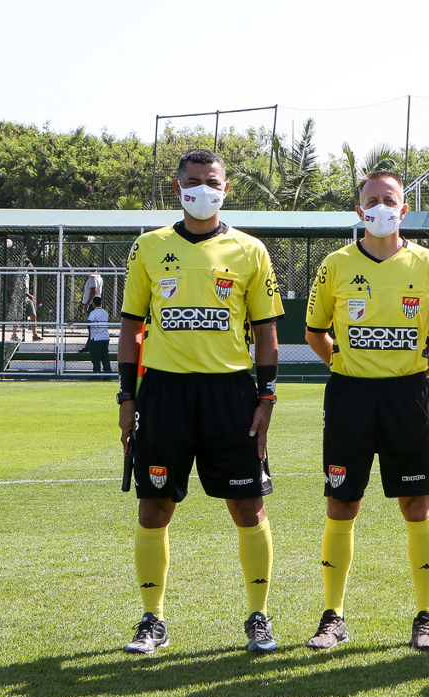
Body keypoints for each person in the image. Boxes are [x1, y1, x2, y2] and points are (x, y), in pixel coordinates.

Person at [118, 148, 284, 655]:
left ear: (226, 189)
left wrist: (266, 396)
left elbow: (266, 332)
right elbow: (131, 327)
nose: (203, 190)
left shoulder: (250, 250)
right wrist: (127, 396)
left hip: (229, 392)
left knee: (248, 507)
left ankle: (258, 617)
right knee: (154, 506)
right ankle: (152, 619)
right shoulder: (148, 246)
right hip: (164, 392)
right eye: (193, 181)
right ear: (177, 188)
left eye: (212, 182)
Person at [303, 171, 429, 652]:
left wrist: (418, 371)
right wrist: (342, 364)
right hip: (350, 396)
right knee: (342, 503)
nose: (380, 207)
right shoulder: (335, 264)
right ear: (359, 210)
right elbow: (314, 331)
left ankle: (425, 617)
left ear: (403, 208)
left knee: (417, 504)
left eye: (389, 199)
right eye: (371, 200)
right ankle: (333, 616)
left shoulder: (428, 263)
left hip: (406, 398)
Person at [87, 296, 112, 374]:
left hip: (96, 338)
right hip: (105, 337)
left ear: (93, 304)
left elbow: (89, 321)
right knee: (105, 356)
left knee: (95, 356)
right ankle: (107, 373)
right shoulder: (105, 312)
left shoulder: (94, 313)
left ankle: (96, 373)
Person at [18, 258, 40, 341]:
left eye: (28, 265)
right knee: (18, 317)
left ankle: (34, 335)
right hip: (20, 298)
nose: (27, 266)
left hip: (27, 298)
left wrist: (28, 295)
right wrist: (28, 295)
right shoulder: (20, 274)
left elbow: (25, 287)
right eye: (26, 264)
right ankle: (14, 334)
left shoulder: (27, 274)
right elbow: (19, 288)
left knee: (33, 315)